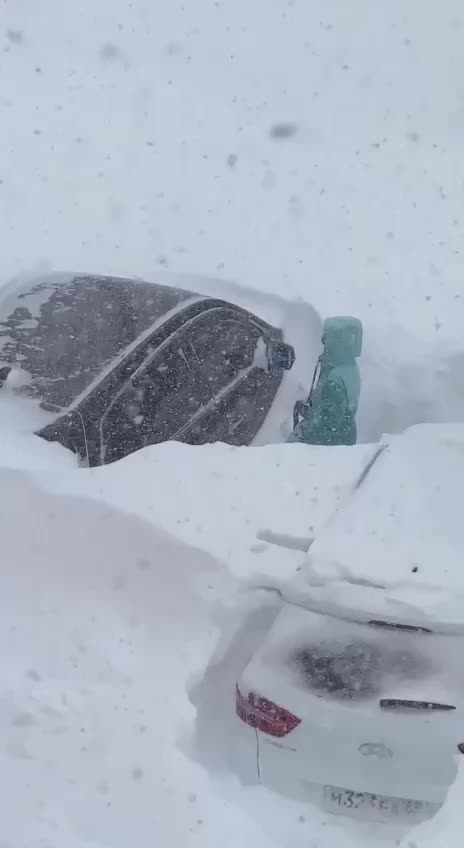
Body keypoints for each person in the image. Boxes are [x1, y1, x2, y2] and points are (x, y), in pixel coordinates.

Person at [288, 316, 363, 446]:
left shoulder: (334, 379)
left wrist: (302, 433)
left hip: (325, 447)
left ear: (336, 342)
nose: (324, 344)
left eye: (327, 339)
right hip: (343, 441)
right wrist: (309, 411)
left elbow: (328, 424)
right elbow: (334, 412)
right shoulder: (348, 369)